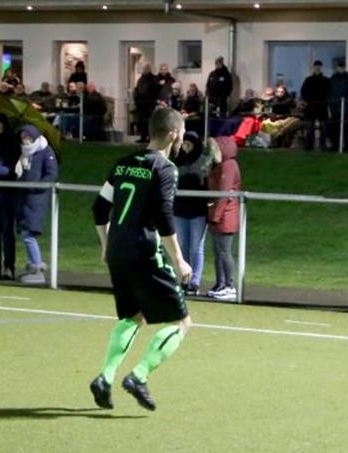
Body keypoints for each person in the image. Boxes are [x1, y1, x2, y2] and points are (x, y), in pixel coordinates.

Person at [89, 107, 193, 412]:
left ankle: (105, 377)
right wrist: (179, 259)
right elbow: (163, 215)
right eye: (182, 133)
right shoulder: (165, 168)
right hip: (144, 250)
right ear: (173, 134)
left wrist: (106, 244)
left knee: (133, 316)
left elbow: (99, 208)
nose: (182, 138)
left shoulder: (123, 164)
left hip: (118, 250)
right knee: (182, 322)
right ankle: (139, 375)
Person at [15, 125, 59, 285]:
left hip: (36, 200)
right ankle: (34, 266)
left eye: (28, 137)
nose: (25, 140)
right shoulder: (24, 153)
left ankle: (37, 268)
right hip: (24, 199)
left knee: (29, 234)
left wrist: (35, 186)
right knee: (25, 233)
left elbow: (52, 175)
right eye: (23, 137)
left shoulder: (46, 151)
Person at [172, 131, 211, 296]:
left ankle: (195, 281)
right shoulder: (176, 161)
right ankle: (184, 280)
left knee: (196, 247)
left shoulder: (204, 161)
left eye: (189, 144)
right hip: (179, 210)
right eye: (184, 144)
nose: (186, 147)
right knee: (182, 246)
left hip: (197, 210)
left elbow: (206, 184)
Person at [206, 136, 241, 301]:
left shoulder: (228, 165)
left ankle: (229, 285)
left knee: (224, 251)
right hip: (218, 213)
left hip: (225, 215)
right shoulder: (218, 164)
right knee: (218, 251)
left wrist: (216, 215)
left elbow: (224, 193)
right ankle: (220, 284)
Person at [0, 115, 19, 280]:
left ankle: (9, 266)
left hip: (6, 195)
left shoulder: (11, 144)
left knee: (7, 232)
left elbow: (13, 171)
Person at [328, 60, 348, 152]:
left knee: (345, 126)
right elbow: (330, 92)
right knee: (335, 126)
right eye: (340, 67)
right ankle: (335, 145)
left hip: (346, 106)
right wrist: (331, 104)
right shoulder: (333, 78)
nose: (341, 68)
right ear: (337, 67)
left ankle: (346, 146)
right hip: (335, 106)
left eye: (342, 67)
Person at [133, 64, 160, 143]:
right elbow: (137, 89)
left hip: (149, 104)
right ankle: (143, 137)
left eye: (146, 68)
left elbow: (155, 90)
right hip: (141, 104)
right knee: (142, 121)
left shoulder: (153, 79)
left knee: (149, 121)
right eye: (144, 68)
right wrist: (136, 97)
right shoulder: (141, 79)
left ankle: (150, 137)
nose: (145, 70)